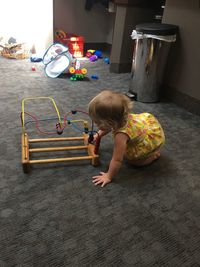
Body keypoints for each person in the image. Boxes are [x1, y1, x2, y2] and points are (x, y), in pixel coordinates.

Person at [88, 90, 165, 187]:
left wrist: (108, 176)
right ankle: (153, 151)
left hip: (148, 141)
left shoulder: (120, 136)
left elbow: (117, 160)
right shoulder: (119, 118)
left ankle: (153, 156)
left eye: (97, 122)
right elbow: (108, 128)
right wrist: (98, 135)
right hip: (145, 127)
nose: (95, 124)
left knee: (132, 161)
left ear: (110, 123)